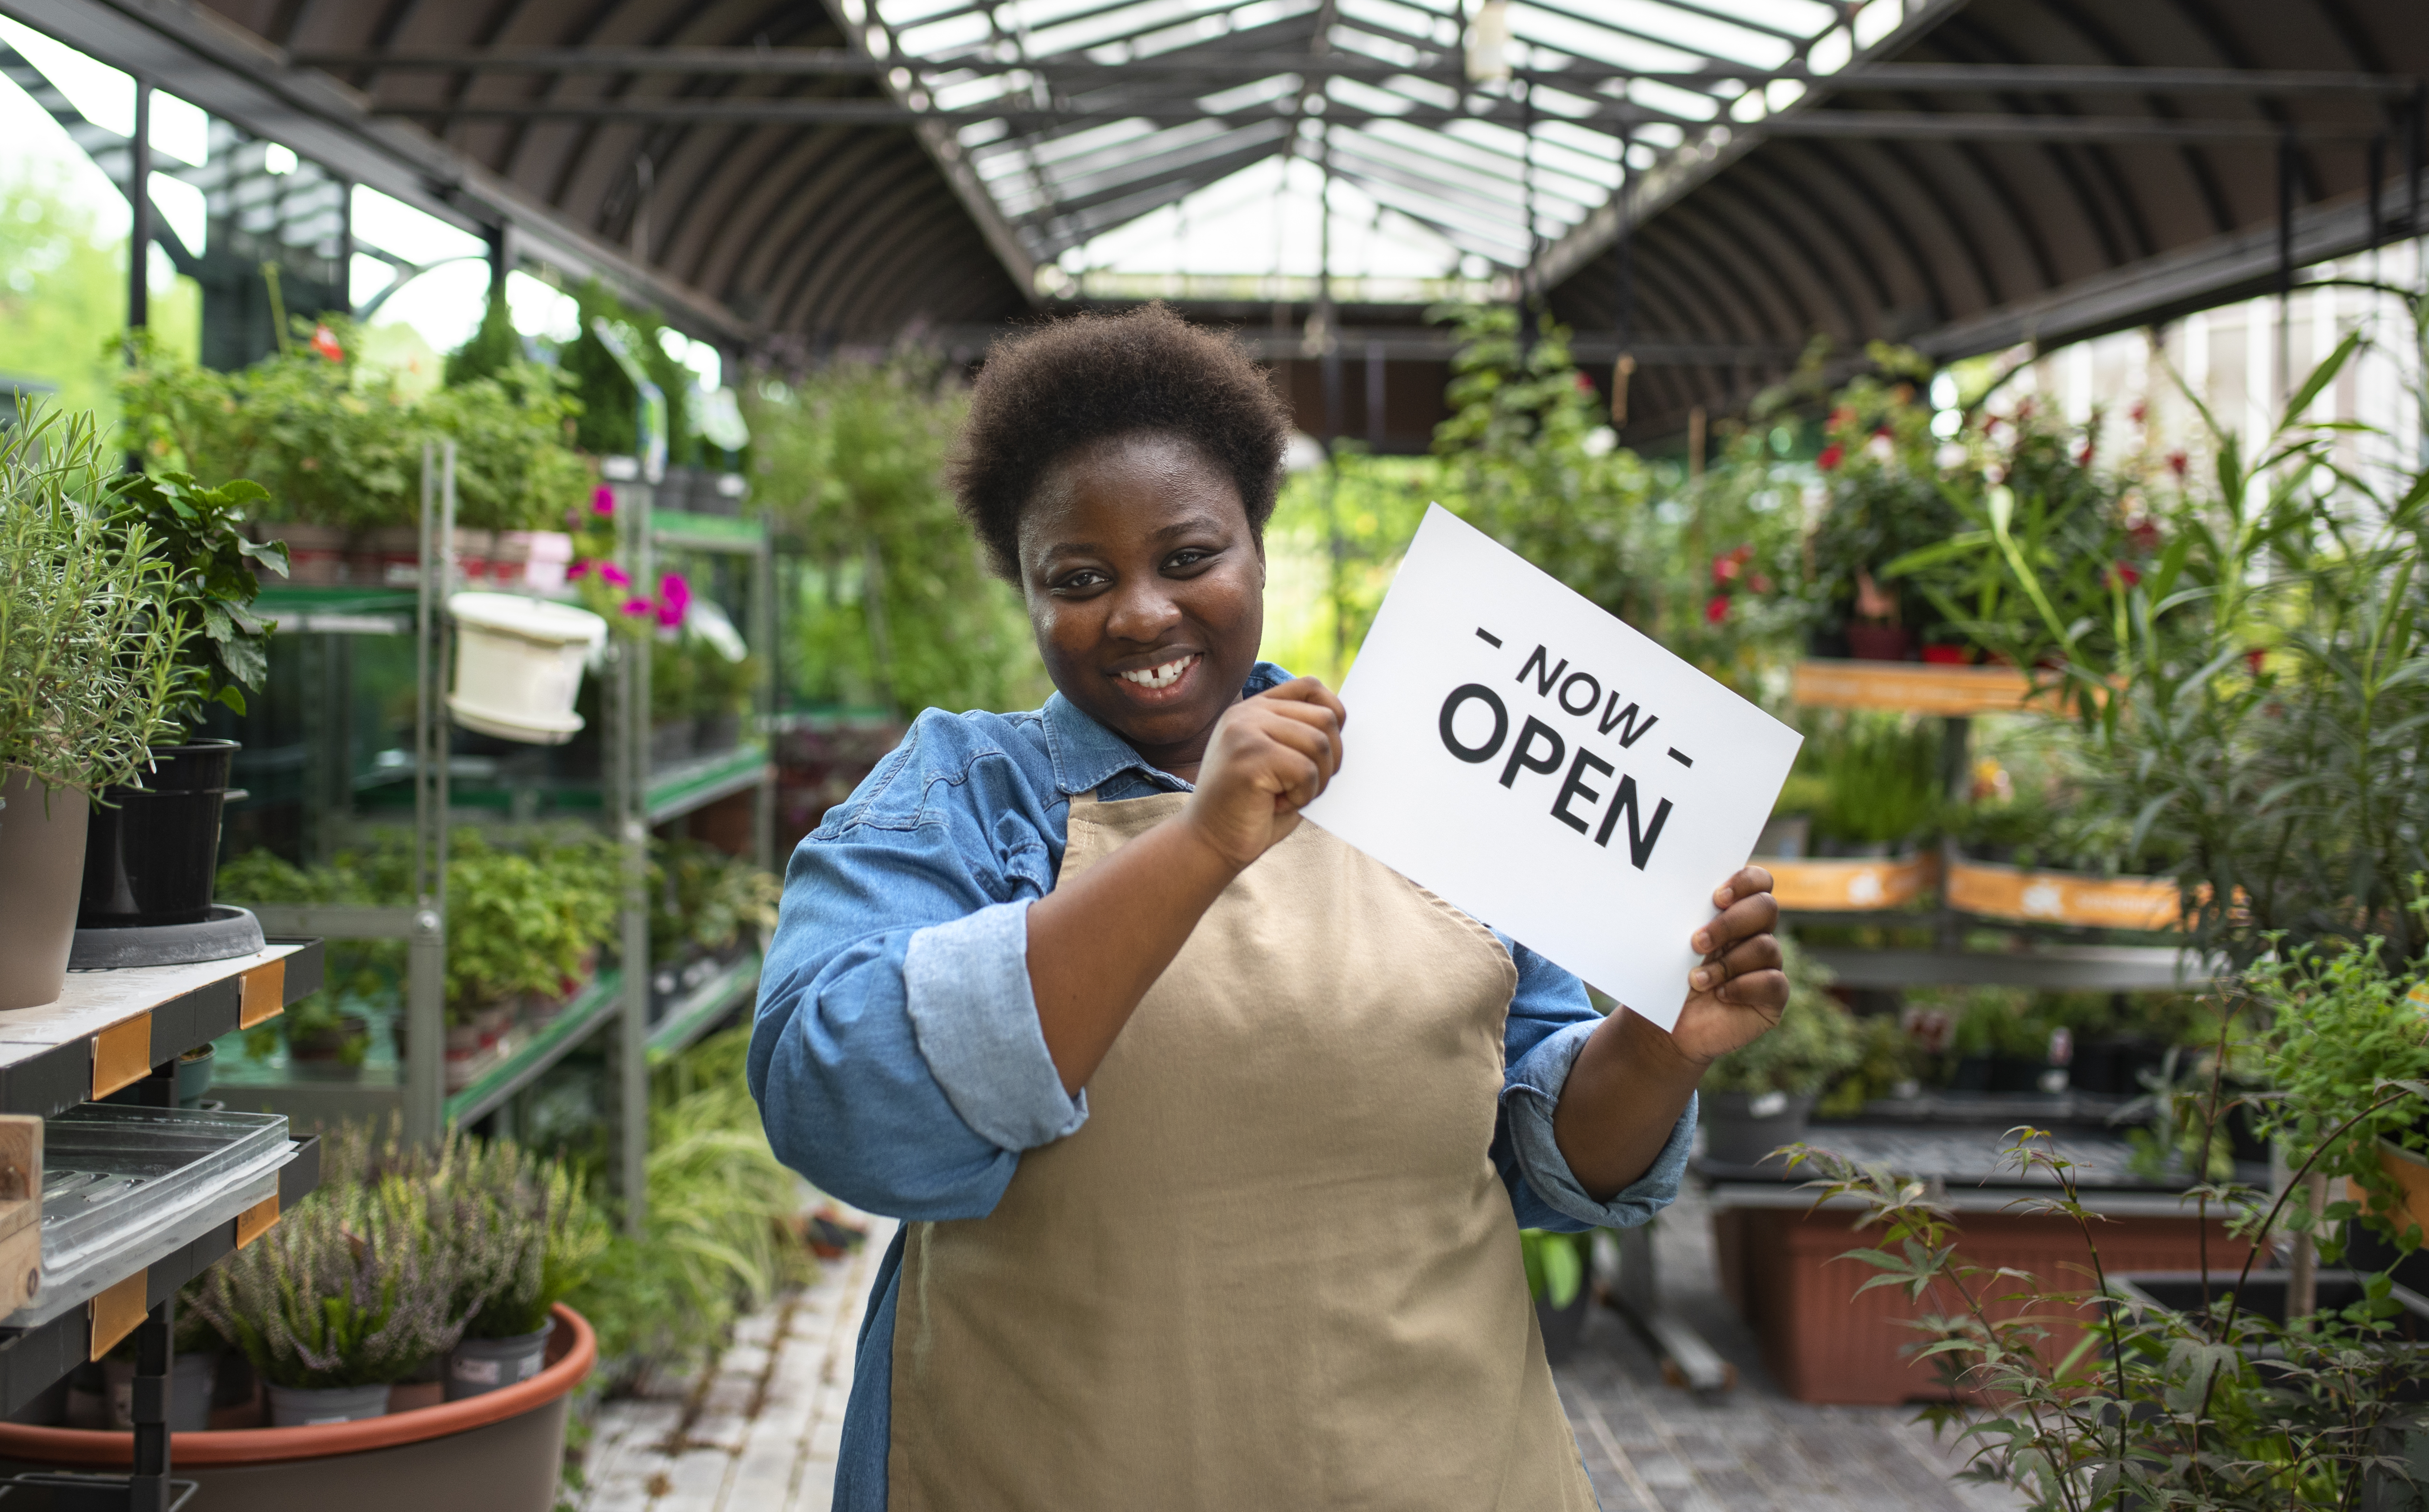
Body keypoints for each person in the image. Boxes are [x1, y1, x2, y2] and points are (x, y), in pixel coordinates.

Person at [750, 303, 1787, 1512]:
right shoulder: (966, 795)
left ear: (1258, 547)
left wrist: (1659, 1044)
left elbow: (1544, 1154)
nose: (1140, 612)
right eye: (1078, 579)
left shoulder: (1437, 776)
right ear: (1023, 591)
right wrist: (1198, 844)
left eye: (1188, 557)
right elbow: (841, 1100)